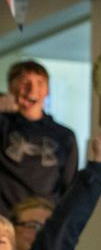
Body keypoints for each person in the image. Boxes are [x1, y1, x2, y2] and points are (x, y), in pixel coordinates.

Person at [0, 60, 79, 216]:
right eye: (25, 82)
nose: (32, 89)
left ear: (47, 90)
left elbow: (69, 188)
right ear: (11, 87)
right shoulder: (3, 126)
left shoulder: (64, 136)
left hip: (43, 222)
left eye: (40, 82)